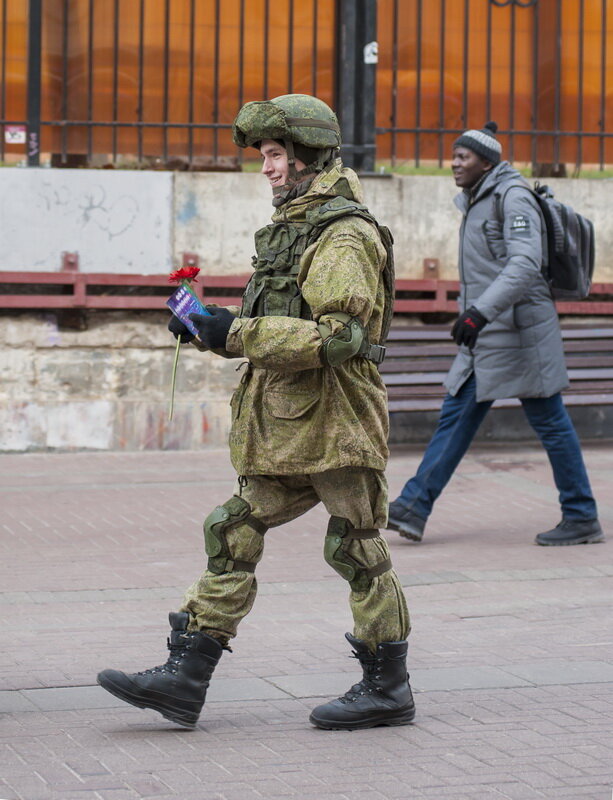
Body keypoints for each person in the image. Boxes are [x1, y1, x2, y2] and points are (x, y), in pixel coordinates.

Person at [97, 94, 415, 731]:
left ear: (308, 156)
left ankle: (389, 685)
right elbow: (281, 322)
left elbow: (340, 338)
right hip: (290, 430)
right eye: (264, 156)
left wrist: (232, 332)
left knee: (357, 547)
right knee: (233, 530)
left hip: (337, 425)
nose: (267, 167)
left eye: (276, 155)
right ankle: (186, 676)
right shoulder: (296, 226)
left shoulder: (341, 234)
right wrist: (205, 326)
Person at [387, 121, 604, 548]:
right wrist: (479, 318)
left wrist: (478, 313)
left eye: (463, 156)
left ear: (487, 161)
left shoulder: (513, 197)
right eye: (452, 155)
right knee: (456, 416)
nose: (453, 163)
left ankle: (581, 515)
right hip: (488, 335)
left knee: (550, 421)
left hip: (521, 335)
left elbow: (524, 266)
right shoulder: (477, 199)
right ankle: (414, 505)